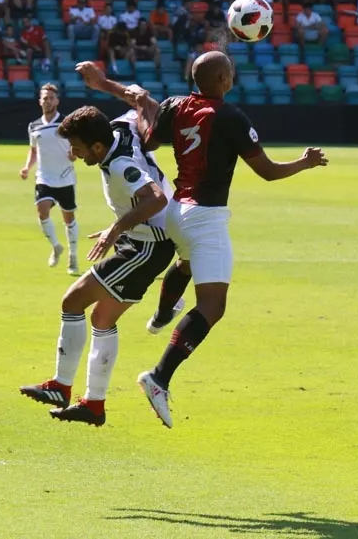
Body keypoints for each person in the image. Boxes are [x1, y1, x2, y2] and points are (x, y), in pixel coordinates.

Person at [77, 53, 329, 428]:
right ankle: (159, 377)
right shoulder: (231, 117)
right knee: (213, 305)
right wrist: (304, 162)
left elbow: (149, 138)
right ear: (224, 79)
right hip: (205, 218)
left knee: (186, 263)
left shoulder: (176, 106)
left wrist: (127, 96)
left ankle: (163, 313)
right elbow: (268, 172)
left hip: (177, 211)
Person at [19, 106, 179, 426]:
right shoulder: (120, 129)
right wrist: (108, 86)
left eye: (77, 147)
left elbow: (156, 198)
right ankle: (93, 404)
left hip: (146, 247)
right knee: (102, 319)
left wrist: (115, 229)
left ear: (96, 146)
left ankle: (61, 387)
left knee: (72, 300)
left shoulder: (120, 165)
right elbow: (136, 105)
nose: (73, 154)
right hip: (142, 241)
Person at [19, 84, 80, 275]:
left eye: (51, 98)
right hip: (44, 177)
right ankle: (56, 246)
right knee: (42, 211)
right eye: (45, 98)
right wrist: (27, 167)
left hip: (65, 177)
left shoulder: (66, 123)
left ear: (57, 101)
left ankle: (73, 256)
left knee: (68, 218)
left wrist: (74, 154)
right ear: (40, 101)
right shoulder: (34, 126)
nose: (48, 101)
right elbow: (33, 150)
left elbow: (76, 146)